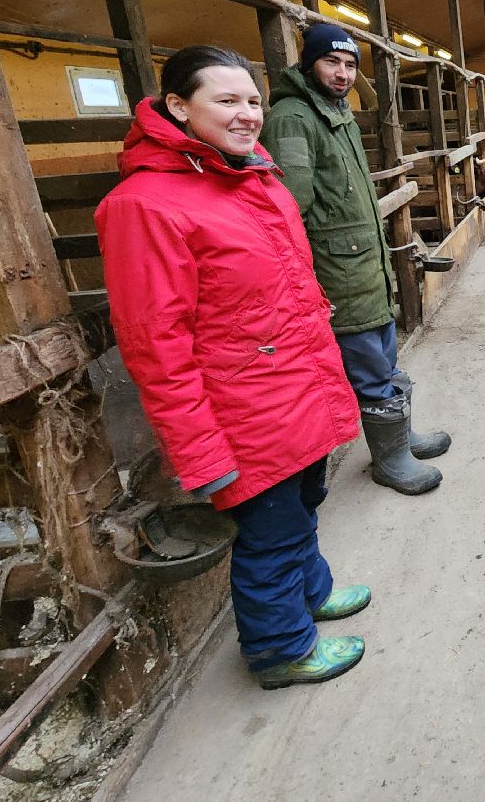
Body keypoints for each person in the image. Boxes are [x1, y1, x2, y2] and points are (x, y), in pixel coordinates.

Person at [96, 45, 369, 690]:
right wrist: (200, 451)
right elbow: (156, 345)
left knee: (303, 503)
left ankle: (310, 592)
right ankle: (280, 651)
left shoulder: (254, 180)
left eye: (252, 101)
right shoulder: (145, 206)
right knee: (269, 533)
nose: (247, 114)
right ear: (177, 106)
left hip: (295, 387)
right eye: (226, 101)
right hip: (243, 410)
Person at [260, 23, 450, 496]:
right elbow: (289, 207)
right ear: (309, 63)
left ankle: (399, 439)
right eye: (332, 62)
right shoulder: (292, 118)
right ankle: (391, 460)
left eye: (349, 65)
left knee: (383, 357)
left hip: (366, 264)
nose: (342, 73)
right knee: (368, 364)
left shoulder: (335, 111)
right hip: (337, 271)